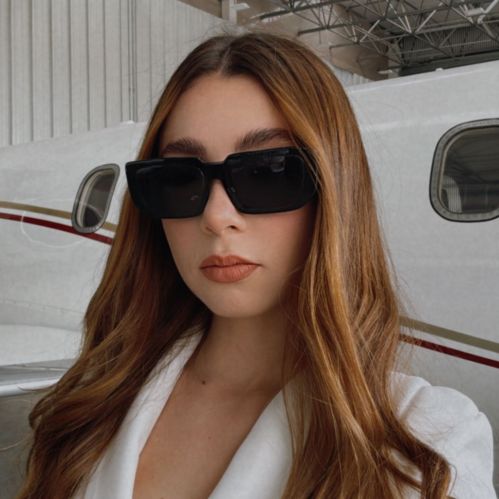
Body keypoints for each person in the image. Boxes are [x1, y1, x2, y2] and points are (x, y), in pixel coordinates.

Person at [17, 28, 495, 499]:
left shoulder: (425, 450)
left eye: (269, 172)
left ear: (335, 191)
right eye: (178, 179)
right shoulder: (90, 409)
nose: (215, 217)